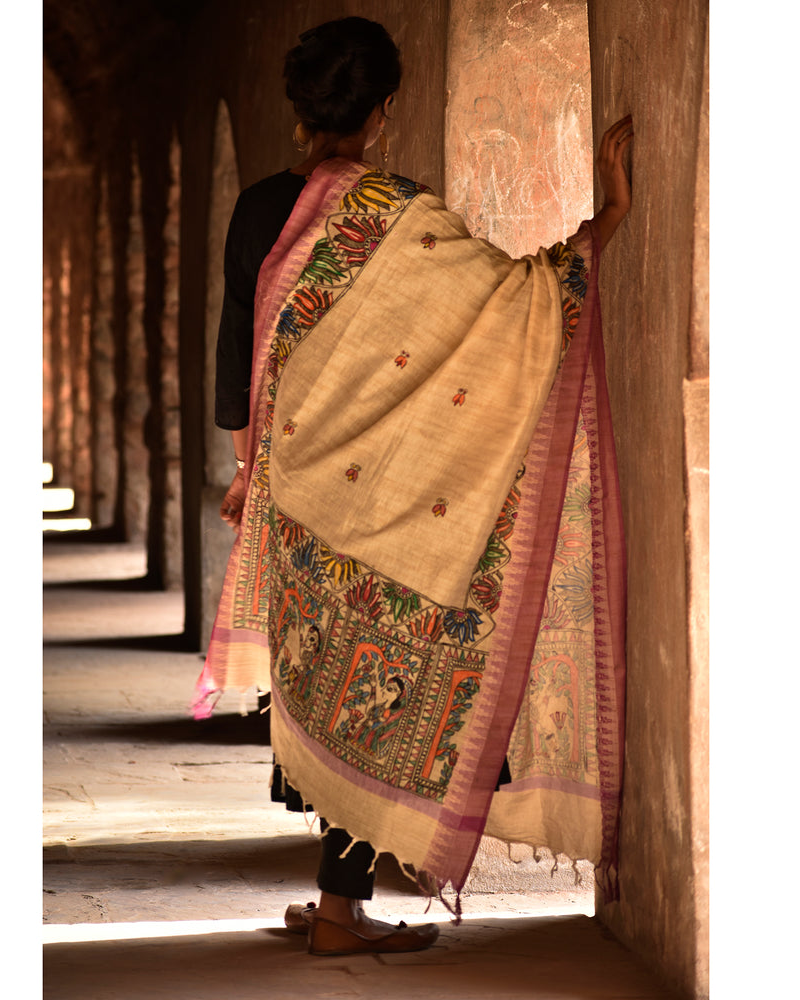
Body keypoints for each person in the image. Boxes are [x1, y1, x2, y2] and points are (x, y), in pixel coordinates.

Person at [193, 16, 632, 957]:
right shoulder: (404, 215)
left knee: (314, 687)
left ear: (300, 109)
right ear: (384, 113)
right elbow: (504, 307)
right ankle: (342, 912)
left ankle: (338, 902)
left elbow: (239, 355)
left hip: (301, 495)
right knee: (369, 700)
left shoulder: (259, 208)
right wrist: (601, 229)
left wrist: (249, 468)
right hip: (388, 504)